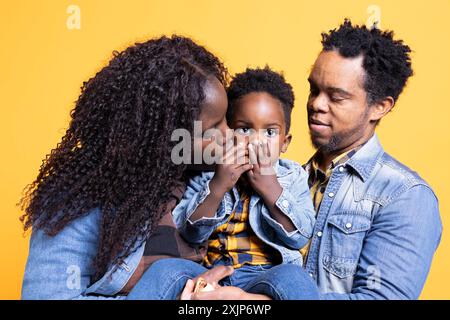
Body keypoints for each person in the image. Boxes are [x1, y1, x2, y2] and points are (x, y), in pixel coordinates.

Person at [180, 19, 443, 300]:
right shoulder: (285, 176)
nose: (316, 104)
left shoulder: (404, 196)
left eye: (336, 97)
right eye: (314, 89)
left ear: (379, 107)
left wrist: (245, 301)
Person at [20, 35, 233, 299]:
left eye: (227, 119)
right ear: (163, 135)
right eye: (213, 128)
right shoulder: (77, 201)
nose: (229, 134)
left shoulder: (212, 181)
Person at [126, 67, 318, 300]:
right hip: (207, 272)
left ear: (285, 142)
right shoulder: (209, 172)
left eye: (269, 132)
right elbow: (189, 233)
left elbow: (300, 236)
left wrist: (271, 188)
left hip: (265, 274)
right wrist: (218, 187)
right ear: (227, 132)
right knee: (163, 271)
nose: (256, 141)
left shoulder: (293, 175)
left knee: (296, 279)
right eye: (245, 129)